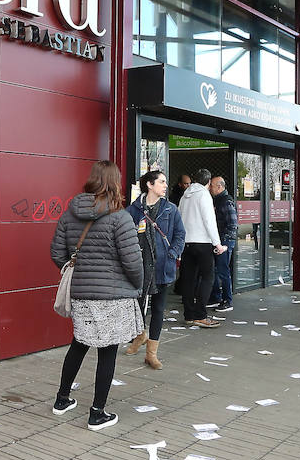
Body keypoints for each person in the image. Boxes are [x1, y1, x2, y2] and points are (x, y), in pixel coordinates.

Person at [49, 161, 145, 430]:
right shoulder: (120, 217)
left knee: (79, 343)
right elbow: (133, 262)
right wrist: (136, 286)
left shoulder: (70, 215)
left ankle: (62, 400)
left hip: (81, 293)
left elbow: (57, 253)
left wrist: (77, 272)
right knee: (108, 351)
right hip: (113, 295)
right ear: (115, 182)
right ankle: (97, 413)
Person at [125, 170, 185, 370]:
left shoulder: (170, 209)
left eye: (165, 182)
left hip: (162, 266)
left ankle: (152, 353)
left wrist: (172, 253)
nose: (166, 185)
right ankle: (139, 335)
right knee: (136, 306)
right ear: (150, 185)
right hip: (139, 267)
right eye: (161, 182)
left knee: (158, 309)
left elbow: (180, 234)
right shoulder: (133, 210)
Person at [177, 167, 224, 327]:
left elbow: (179, 217)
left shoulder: (185, 195)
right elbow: (209, 221)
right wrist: (217, 243)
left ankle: (189, 315)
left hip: (187, 242)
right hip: (202, 243)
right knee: (208, 277)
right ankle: (200, 315)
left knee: (188, 280)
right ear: (208, 182)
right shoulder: (204, 195)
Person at [208, 176, 238, 313]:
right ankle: (215, 297)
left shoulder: (226, 202)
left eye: (212, 186)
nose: (210, 188)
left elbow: (232, 224)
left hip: (224, 241)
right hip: (218, 240)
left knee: (223, 270)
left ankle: (227, 300)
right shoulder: (218, 200)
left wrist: (224, 244)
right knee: (214, 269)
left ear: (220, 187)